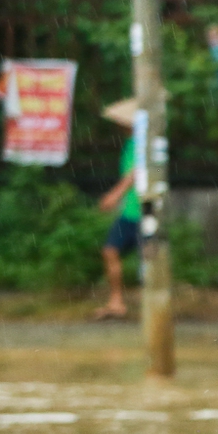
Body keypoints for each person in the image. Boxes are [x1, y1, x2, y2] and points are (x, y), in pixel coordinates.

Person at [93, 99, 142, 321]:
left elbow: (135, 173)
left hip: (143, 211)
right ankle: (116, 302)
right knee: (110, 250)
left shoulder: (142, 143)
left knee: (149, 261)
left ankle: (152, 304)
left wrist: (115, 195)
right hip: (130, 211)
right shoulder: (130, 143)